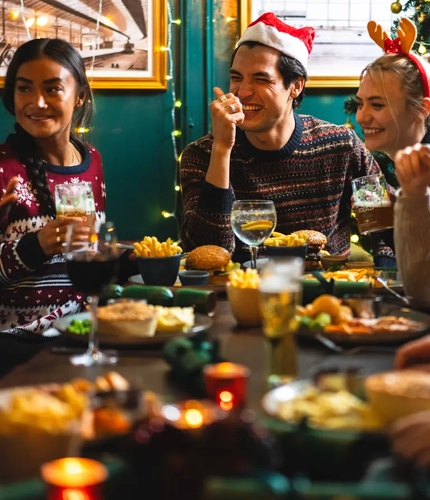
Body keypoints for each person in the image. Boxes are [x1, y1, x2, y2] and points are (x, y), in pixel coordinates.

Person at [179, 12, 382, 262]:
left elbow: (383, 225)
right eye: (236, 78)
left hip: (325, 293)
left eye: (261, 79)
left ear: (296, 86)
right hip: (238, 294)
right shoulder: (201, 155)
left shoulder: (342, 145)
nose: (242, 92)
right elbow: (208, 256)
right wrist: (222, 149)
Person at [0, 37, 106, 339]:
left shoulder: (92, 161)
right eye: (24, 88)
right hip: (15, 343)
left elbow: (88, 250)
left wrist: (125, 259)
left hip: (80, 331)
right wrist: (36, 246)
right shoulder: (3, 168)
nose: (37, 102)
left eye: (52, 88)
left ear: (80, 96)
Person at [354, 18, 430, 266]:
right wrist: (391, 216)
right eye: (360, 104)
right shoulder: (382, 168)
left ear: (422, 109)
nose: (362, 116)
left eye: (377, 104)